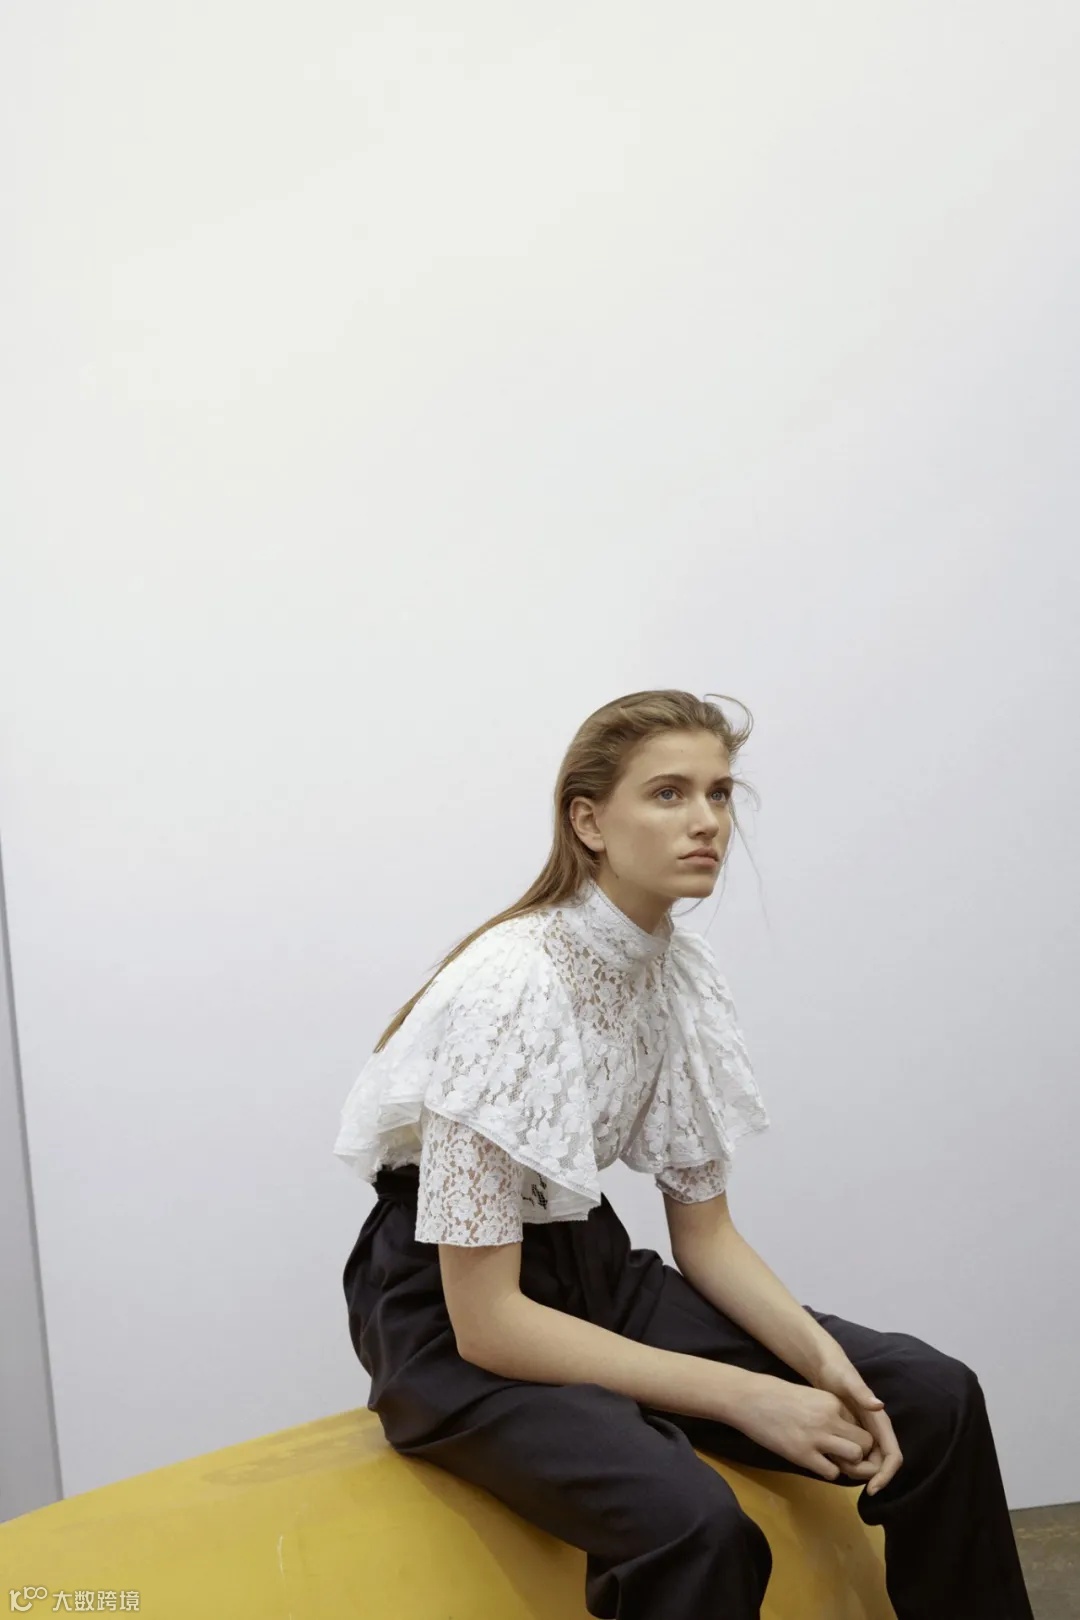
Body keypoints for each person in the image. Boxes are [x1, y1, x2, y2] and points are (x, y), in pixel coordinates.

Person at [334, 688, 1033, 1620]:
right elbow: (489, 1323)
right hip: (451, 1312)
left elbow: (706, 1238)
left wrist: (828, 1367)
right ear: (589, 822)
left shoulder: (674, 970)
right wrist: (748, 1396)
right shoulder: (511, 983)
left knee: (931, 1395)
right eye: (668, 793)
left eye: (720, 793)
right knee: (693, 1524)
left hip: (591, 1266)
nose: (706, 821)